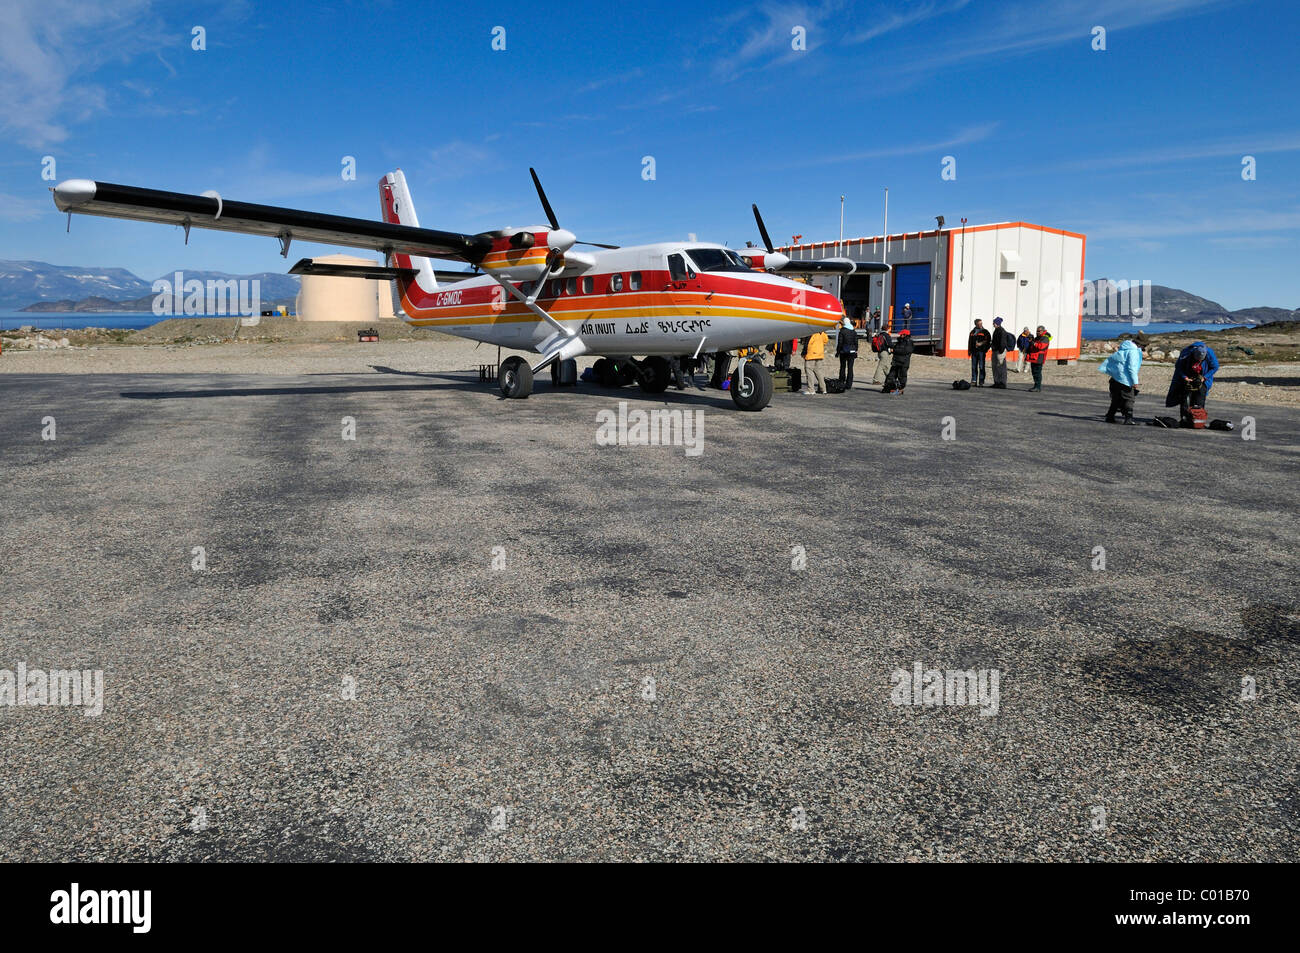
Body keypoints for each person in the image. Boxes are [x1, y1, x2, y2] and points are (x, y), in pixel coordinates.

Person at [1165, 341, 1220, 425]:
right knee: (1185, 400)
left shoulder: (1210, 353)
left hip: (1203, 377)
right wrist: (1185, 377)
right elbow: (1178, 367)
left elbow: (1215, 367)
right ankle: (1184, 420)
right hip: (1188, 376)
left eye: (1201, 360)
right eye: (1196, 359)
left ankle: (1198, 420)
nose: (1198, 361)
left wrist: (1204, 378)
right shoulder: (1186, 353)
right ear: (1193, 354)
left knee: (1199, 399)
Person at [1098, 332, 1148, 424]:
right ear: (1140, 344)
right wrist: (1135, 382)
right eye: (1144, 346)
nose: (1144, 348)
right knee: (1130, 398)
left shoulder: (1124, 347)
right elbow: (1131, 368)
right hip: (1124, 379)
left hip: (1115, 377)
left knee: (1116, 399)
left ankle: (1110, 416)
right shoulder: (1133, 351)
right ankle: (1128, 419)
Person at [989, 317, 1014, 388]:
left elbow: (1003, 342)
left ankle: (1002, 383)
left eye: (994, 323)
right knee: (995, 367)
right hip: (995, 351)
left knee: (1001, 367)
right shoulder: (997, 330)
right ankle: (997, 382)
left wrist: (1000, 351)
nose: (993, 324)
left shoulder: (1002, 331)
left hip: (1000, 352)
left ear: (997, 323)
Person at [888, 328, 914, 394]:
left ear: (905, 335)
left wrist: (894, 350)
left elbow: (905, 351)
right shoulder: (899, 341)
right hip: (896, 361)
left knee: (902, 376)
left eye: (902, 334)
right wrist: (891, 350)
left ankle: (900, 389)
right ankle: (890, 388)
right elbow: (896, 349)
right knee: (891, 376)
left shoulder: (909, 342)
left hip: (904, 363)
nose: (900, 335)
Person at [802, 328, 828, 395]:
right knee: (818, 371)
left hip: (811, 354)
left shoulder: (811, 333)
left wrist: (804, 353)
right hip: (820, 354)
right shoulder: (822, 332)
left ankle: (811, 390)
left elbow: (807, 344)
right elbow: (825, 341)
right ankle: (823, 389)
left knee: (809, 371)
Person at [1026, 326, 1051, 391]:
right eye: (1037, 331)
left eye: (1039, 331)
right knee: (1034, 372)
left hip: (1039, 357)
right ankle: (1036, 386)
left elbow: (1041, 346)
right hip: (1034, 357)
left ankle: (1038, 387)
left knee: (1037, 372)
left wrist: (1033, 343)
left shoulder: (1045, 338)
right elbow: (1033, 345)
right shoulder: (1037, 338)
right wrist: (1031, 340)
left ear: (1043, 331)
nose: (1037, 332)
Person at [835, 317, 858, 389]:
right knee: (850, 368)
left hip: (843, 351)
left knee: (842, 367)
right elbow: (856, 342)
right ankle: (849, 384)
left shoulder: (842, 331)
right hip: (852, 352)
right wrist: (856, 349)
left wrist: (837, 352)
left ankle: (841, 381)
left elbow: (840, 342)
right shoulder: (853, 331)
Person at [968, 318, 992, 386]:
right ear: (976, 324)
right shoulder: (972, 332)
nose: (981, 325)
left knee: (981, 367)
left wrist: (984, 349)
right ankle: (974, 380)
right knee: (973, 367)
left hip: (981, 352)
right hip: (974, 352)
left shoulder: (985, 332)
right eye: (979, 324)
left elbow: (988, 341)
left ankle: (981, 382)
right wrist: (969, 351)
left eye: (981, 323)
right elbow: (969, 342)